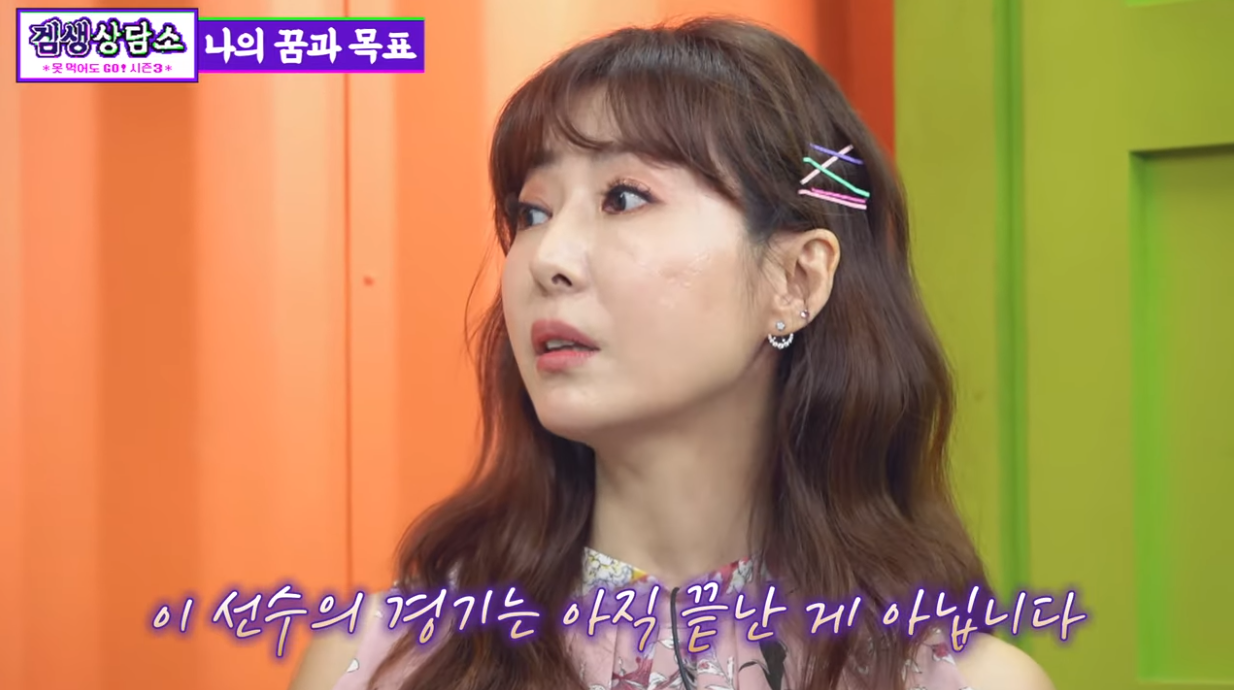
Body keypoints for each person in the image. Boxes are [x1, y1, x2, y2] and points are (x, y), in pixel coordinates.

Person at [291, 16, 1055, 690]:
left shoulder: (962, 679)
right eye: (532, 211)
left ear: (796, 279)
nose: (547, 258)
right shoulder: (382, 663)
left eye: (624, 198)